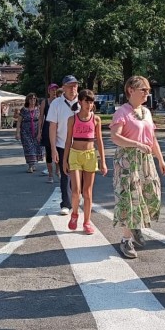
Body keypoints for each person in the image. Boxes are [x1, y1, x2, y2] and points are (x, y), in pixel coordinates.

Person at [110, 77, 165, 258]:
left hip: (145, 159)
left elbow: (152, 138)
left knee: (151, 195)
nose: (147, 93)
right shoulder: (122, 112)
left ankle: (135, 225)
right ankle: (126, 239)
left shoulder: (146, 112)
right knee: (129, 197)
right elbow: (115, 137)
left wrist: (160, 159)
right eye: (143, 90)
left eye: (148, 90)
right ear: (130, 90)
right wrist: (136, 144)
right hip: (127, 160)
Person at [62, 89, 107, 234]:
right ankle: (75, 214)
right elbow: (68, 141)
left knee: (87, 192)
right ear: (80, 102)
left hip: (90, 155)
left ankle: (87, 222)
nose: (90, 105)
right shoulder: (72, 119)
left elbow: (99, 141)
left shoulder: (96, 119)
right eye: (87, 102)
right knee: (76, 191)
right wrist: (64, 160)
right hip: (75, 155)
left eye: (92, 102)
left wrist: (103, 161)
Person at [48, 75, 80, 215]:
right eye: (70, 86)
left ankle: (76, 198)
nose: (73, 88)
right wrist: (53, 148)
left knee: (79, 174)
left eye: (75, 86)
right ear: (64, 88)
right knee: (65, 174)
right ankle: (66, 204)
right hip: (62, 145)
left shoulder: (83, 101)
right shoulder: (56, 103)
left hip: (80, 144)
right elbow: (52, 127)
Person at [15, 93, 44, 173]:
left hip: (36, 131)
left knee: (36, 148)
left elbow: (41, 120)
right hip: (25, 132)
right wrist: (17, 132)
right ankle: (30, 165)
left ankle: (33, 164)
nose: (32, 100)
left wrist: (40, 132)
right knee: (29, 148)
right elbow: (19, 121)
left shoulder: (38, 109)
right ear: (28, 100)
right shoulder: (24, 109)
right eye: (31, 99)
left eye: (34, 99)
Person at [38, 84, 60, 182]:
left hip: (58, 128)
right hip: (47, 128)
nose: (54, 91)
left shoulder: (60, 101)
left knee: (59, 150)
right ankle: (50, 174)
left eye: (55, 90)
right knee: (49, 152)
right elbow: (41, 117)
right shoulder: (45, 102)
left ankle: (58, 171)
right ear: (48, 91)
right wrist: (39, 132)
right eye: (52, 90)